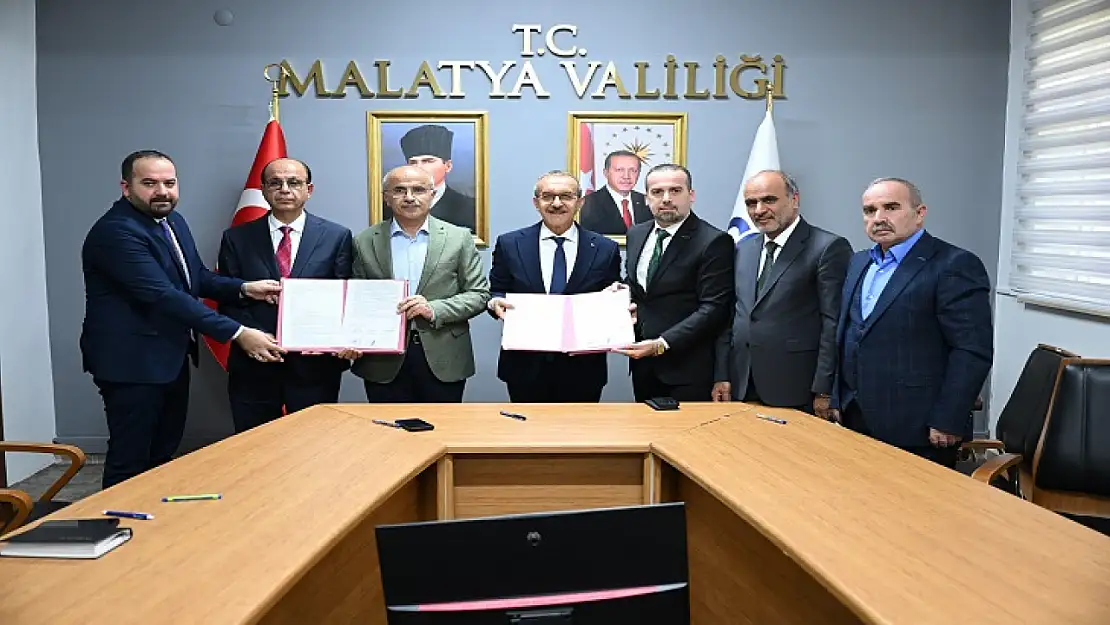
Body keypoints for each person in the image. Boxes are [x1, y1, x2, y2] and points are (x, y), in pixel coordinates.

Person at [81, 150, 284, 488]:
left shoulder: (171, 221)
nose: (162, 191)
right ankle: (117, 529)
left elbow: (195, 278)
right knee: (130, 460)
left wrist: (245, 288)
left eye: (169, 183)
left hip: (168, 359)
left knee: (161, 454)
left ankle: (153, 528)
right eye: (149, 183)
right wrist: (237, 332)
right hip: (131, 365)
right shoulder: (116, 233)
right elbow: (164, 295)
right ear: (125, 187)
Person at [830, 177, 993, 468]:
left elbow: (971, 349)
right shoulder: (858, 263)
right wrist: (837, 398)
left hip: (918, 427)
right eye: (870, 210)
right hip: (856, 417)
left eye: (891, 207)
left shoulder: (954, 264)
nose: (879, 218)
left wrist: (948, 418)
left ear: (920, 214)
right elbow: (849, 334)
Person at [216, 158, 353, 432]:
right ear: (264, 190)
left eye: (294, 183)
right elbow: (227, 295)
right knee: (253, 447)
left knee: (315, 445)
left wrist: (338, 338)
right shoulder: (237, 237)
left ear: (309, 189)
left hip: (315, 365)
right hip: (255, 361)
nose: (285, 189)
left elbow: (344, 296)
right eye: (275, 183)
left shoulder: (337, 236)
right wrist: (250, 337)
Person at [342, 165, 489, 402]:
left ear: (432, 194)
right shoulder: (364, 241)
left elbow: (479, 294)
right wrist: (352, 337)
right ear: (386, 198)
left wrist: (433, 309)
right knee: (389, 433)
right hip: (382, 359)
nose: (409, 197)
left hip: (444, 356)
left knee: (441, 431)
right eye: (399, 190)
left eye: (418, 189)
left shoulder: (458, 238)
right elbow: (356, 299)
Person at [712, 170, 851, 416]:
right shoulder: (744, 247)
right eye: (751, 203)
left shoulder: (827, 247)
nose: (759, 210)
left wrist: (825, 389)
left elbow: (833, 324)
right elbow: (732, 315)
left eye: (769, 200)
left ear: (794, 200)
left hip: (797, 386)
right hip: (742, 381)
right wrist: (722, 374)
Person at [487, 171, 622, 402]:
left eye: (566, 196)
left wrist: (616, 299)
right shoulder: (510, 244)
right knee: (527, 435)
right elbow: (496, 290)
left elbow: (612, 292)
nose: (556, 203)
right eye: (547, 196)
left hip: (584, 369)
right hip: (525, 366)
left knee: (579, 436)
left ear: (580, 202)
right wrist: (494, 302)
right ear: (536, 203)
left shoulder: (604, 248)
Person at [612, 163, 734, 402]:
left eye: (675, 191)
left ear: (692, 195)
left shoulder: (714, 241)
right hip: (643, 364)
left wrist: (661, 344)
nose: (666, 199)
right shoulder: (636, 234)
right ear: (646, 198)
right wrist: (622, 292)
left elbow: (713, 308)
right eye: (657, 192)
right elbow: (645, 288)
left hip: (688, 368)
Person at [389, 124, 476, 233]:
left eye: (428, 161)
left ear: (447, 166)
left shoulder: (470, 208)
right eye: (413, 162)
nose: (419, 168)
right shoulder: (391, 207)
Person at [577, 150, 652, 235]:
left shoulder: (648, 202)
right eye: (619, 170)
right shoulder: (588, 204)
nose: (626, 176)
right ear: (606, 173)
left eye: (633, 170)